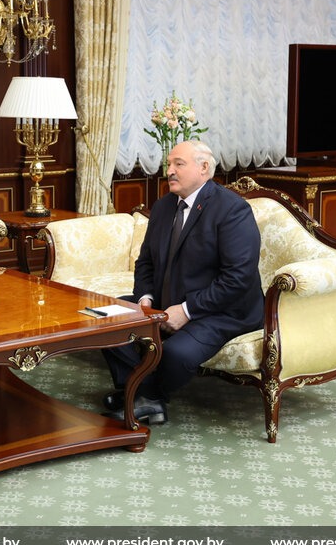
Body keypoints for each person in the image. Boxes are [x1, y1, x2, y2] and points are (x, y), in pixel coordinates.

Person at [102, 140, 264, 424]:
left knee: (177, 353)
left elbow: (237, 278)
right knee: (105, 319)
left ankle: (144, 396)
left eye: (179, 164)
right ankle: (140, 394)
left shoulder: (232, 210)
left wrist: (187, 311)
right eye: (169, 164)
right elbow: (146, 261)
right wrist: (145, 298)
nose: (170, 171)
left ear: (204, 168)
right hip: (166, 301)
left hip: (223, 311)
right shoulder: (164, 206)